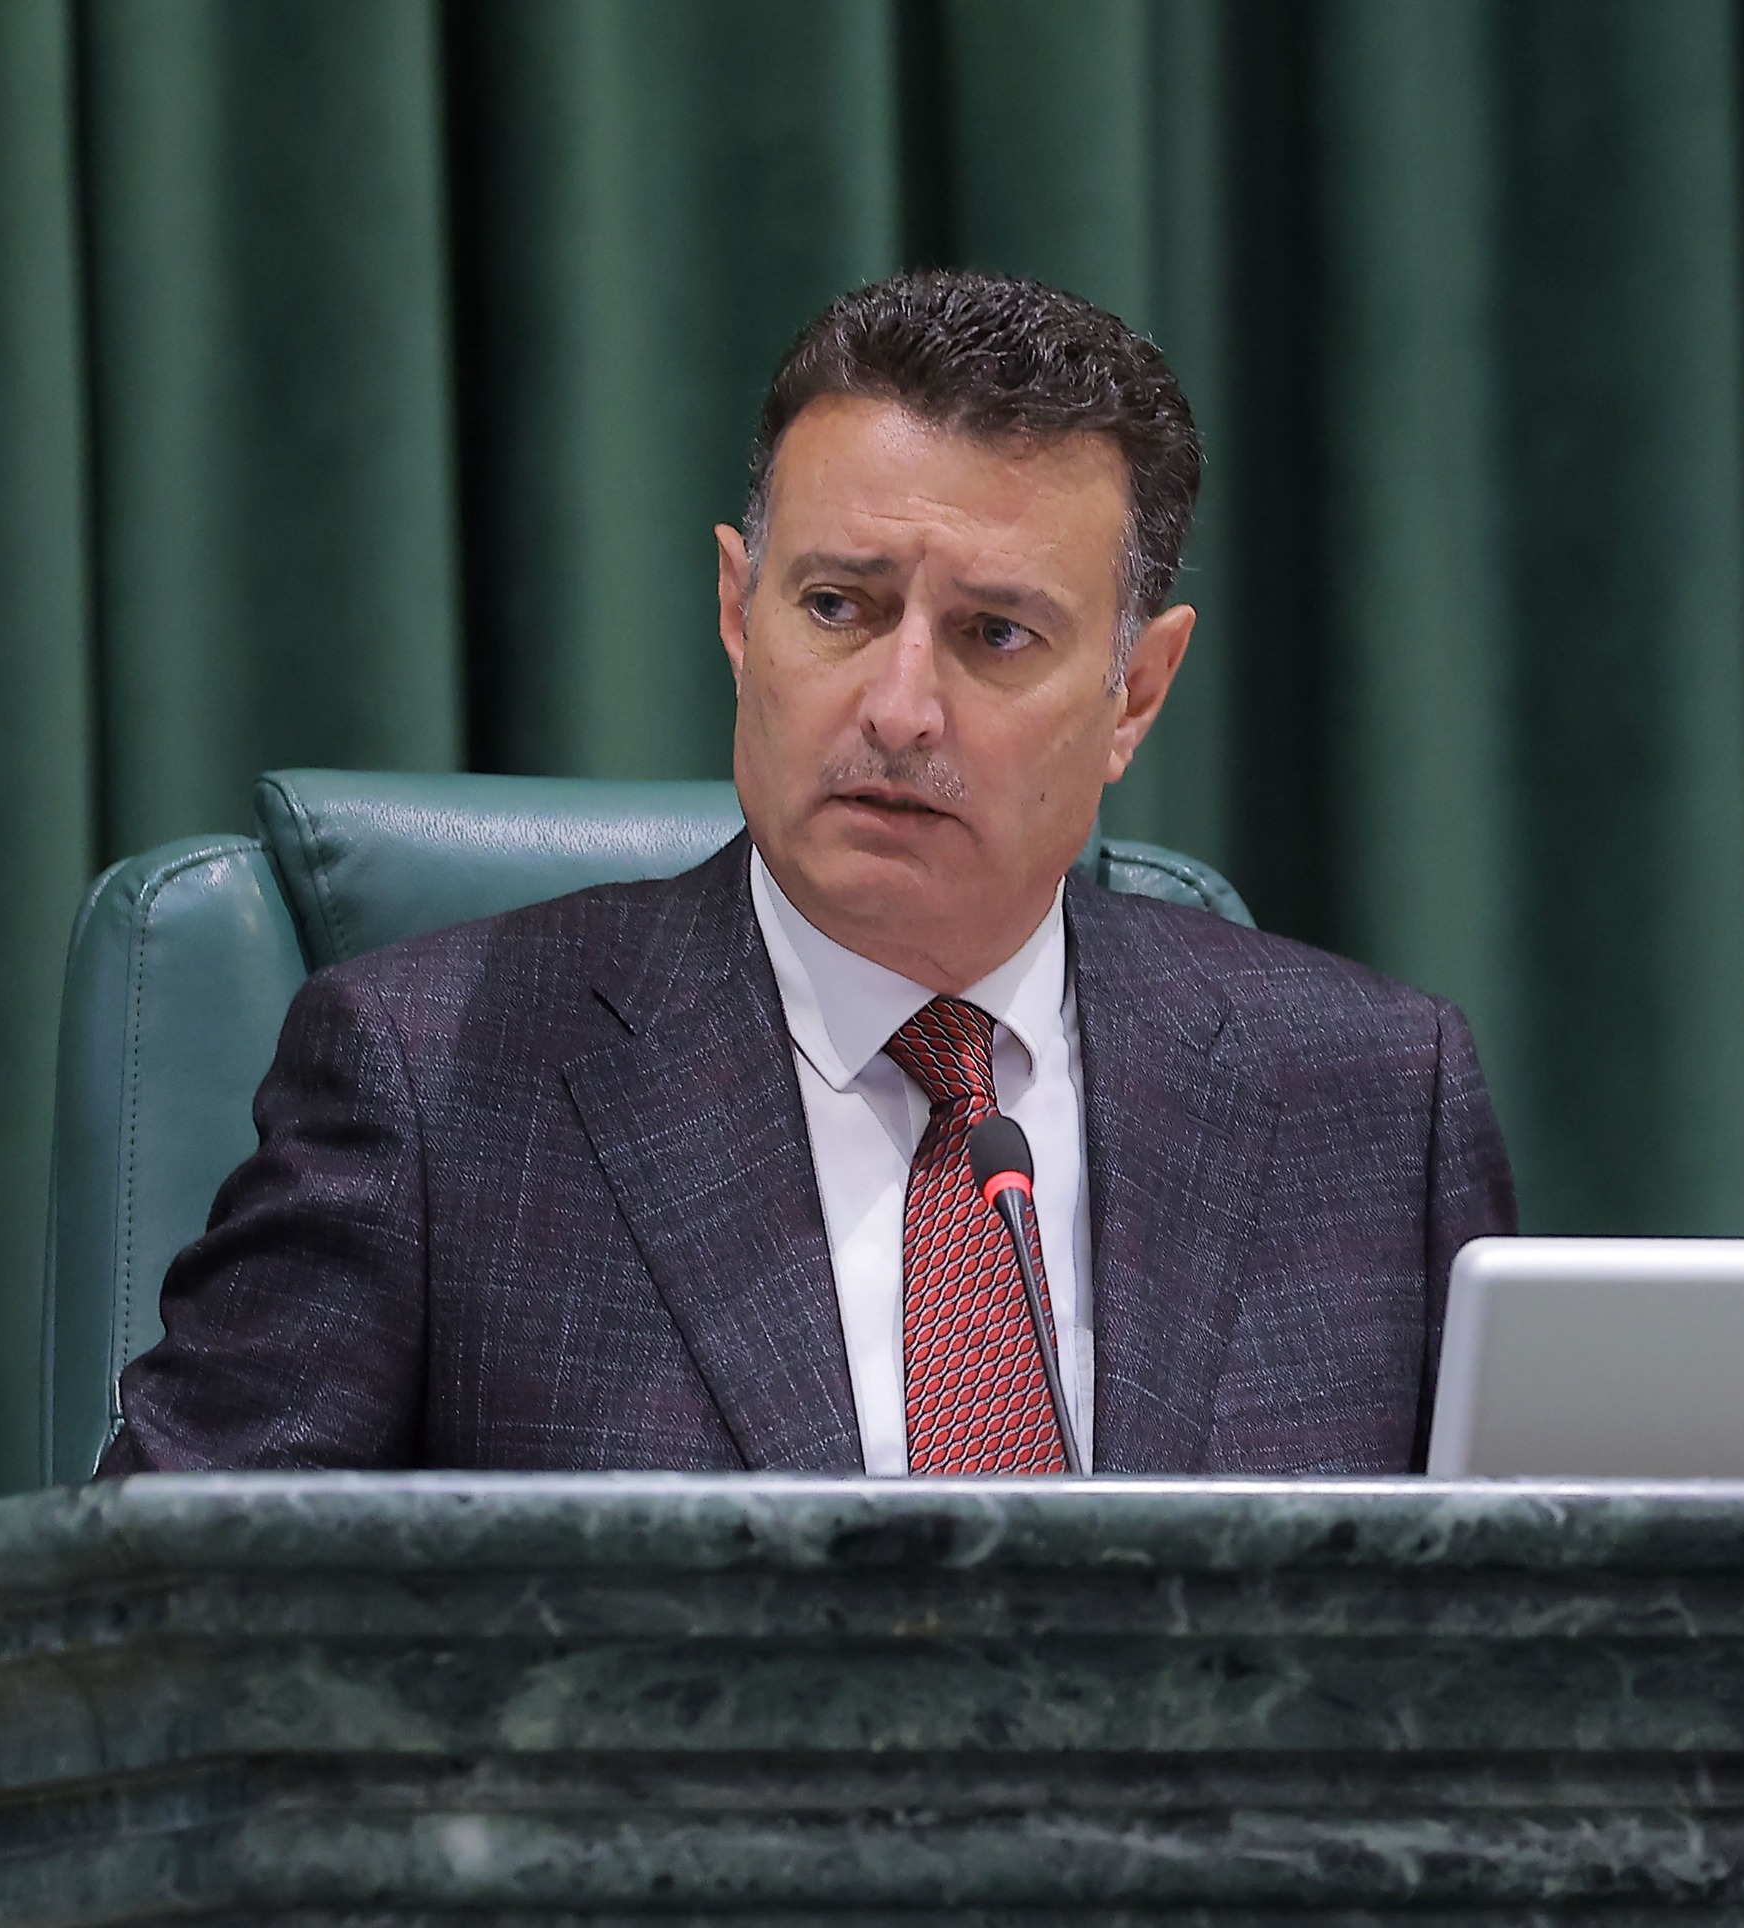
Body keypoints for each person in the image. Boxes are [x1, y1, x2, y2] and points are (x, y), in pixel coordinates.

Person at [101, 270, 1516, 1478]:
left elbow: (1531, 1642)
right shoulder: (435, 1080)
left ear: (1135, 693)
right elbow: (157, 1618)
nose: (899, 709)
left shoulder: (1379, 1103)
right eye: (839, 606)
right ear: (740, 610)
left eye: (996, 636)